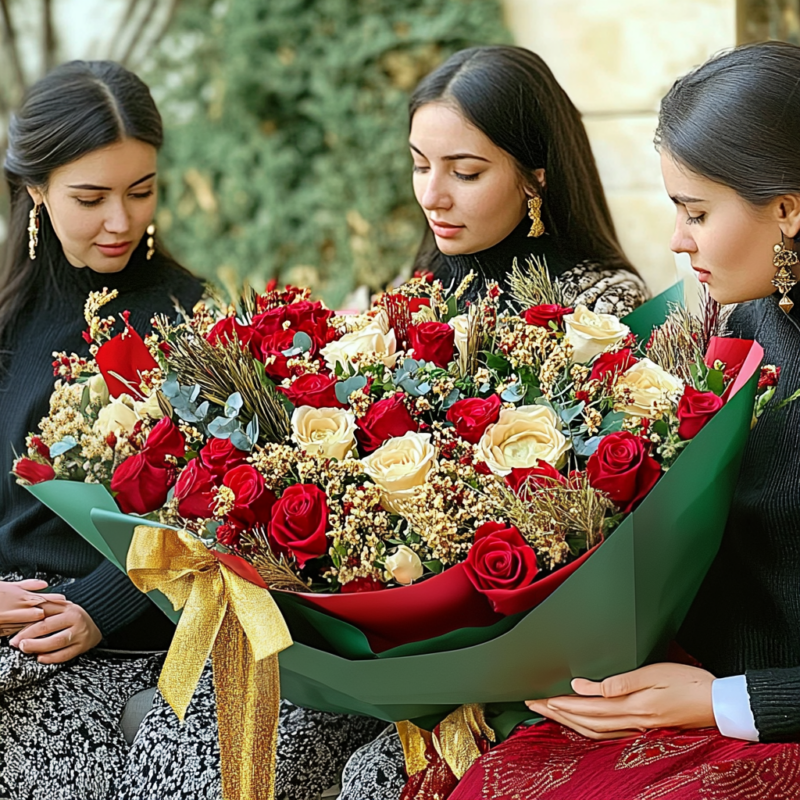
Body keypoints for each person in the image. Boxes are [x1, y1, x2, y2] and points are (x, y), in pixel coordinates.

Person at [0, 60, 382, 800]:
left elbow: (215, 511)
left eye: (140, 191)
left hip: (143, 632)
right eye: (91, 197)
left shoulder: (189, 317)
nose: (121, 221)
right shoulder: (5, 321)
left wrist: (98, 608)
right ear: (34, 189)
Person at [446, 40, 800, 800]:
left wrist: (718, 701)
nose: (677, 239)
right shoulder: (745, 324)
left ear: (788, 209)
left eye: (696, 212)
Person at [339, 44, 649, 800]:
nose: (433, 196)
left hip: (544, 666)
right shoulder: (413, 296)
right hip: (407, 657)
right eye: (420, 165)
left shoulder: (600, 310)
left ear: (537, 174)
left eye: (466, 172)